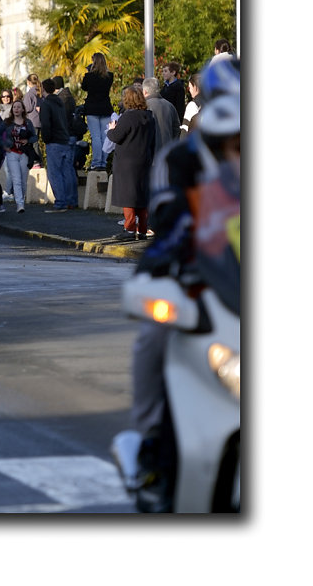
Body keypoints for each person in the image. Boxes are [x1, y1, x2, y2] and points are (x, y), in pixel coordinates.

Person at [128, 58, 240, 511]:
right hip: (206, 290)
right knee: (152, 337)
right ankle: (150, 442)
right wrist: (156, 267)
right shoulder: (180, 160)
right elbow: (170, 220)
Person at [106, 85, 156, 240]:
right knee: (142, 196)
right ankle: (142, 229)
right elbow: (153, 141)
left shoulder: (128, 117)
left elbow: (116, 137)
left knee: (128, 197)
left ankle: (129, 229)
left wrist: (111, 129)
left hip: (127, 162)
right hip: (144, 159)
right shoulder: (149, 117)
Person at [38, 78, 78, 212]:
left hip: (54, 141)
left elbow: (46, 124)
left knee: (55, 173)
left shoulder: (46, 104)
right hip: (65, 138)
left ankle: (60, 202)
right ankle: (71, 201)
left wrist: (46, 138)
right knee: (68, 171)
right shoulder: (60, 101)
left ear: (43, 89)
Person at [0, 99, 36, 214]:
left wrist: (28, 140)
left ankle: (22, 198)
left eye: (19, 107)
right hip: (12, 153)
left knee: (23, 180)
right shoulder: (7, 122)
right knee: (16, 179)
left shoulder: (28, 122)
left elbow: (35, 137)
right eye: (14, 107)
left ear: (23, 109)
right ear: (12, 109)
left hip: (24, 153)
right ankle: (19, 204)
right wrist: (4, 146)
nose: (16, 109)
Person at [81, 53, 116, 170]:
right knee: (105, 136)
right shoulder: (109, 76)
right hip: (105, 108)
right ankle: (103, 162)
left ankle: (96, 162)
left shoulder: (89, 76)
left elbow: (84, 87)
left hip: (92, 108)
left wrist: (90, 71)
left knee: (95, 137)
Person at [141, 77, 181, 156]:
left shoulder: (143, 107)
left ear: (145, 91)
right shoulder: (170, 106)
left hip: (149, 155)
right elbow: (177, 129)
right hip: (167, 152)